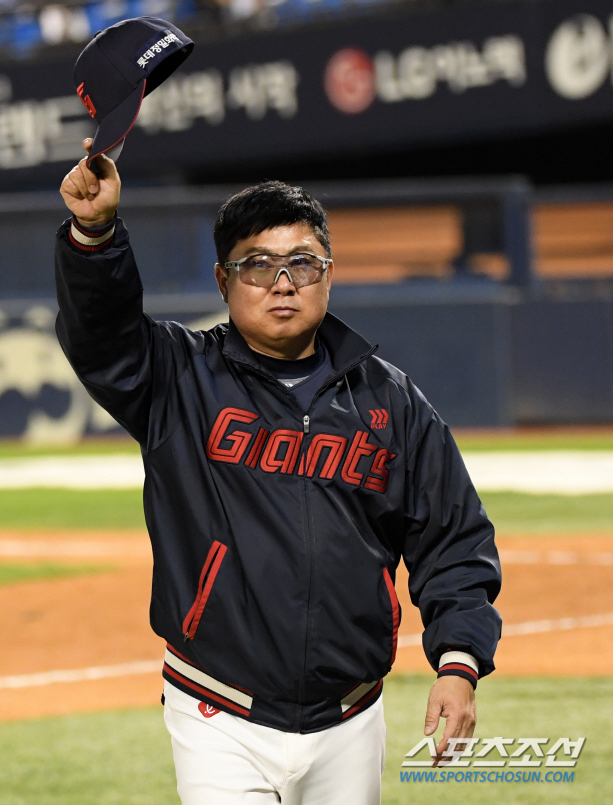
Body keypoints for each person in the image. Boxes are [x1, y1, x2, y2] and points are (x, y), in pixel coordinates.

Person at [56, 139, 502, 805]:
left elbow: (454, 539)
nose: (284, 282)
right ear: (222, 280)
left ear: (330, 273)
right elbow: (100, 333)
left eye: (303, 263)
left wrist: (459, 663)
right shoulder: (178, 378)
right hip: (218, 711)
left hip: (350, 715)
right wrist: (94, 232)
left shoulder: (390, 401)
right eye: (258, 265)